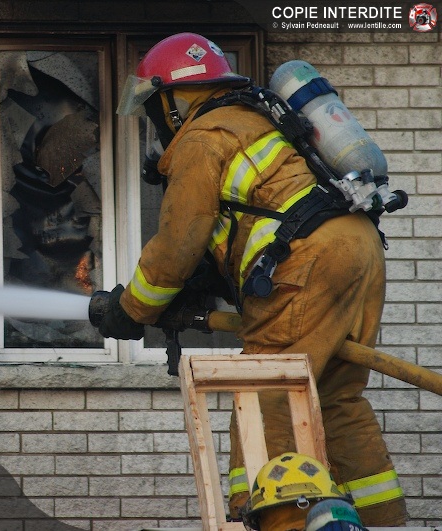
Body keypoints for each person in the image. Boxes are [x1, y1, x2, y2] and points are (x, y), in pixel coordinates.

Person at [99, 32, 407, 526]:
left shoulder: (204, 136)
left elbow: (177, 245)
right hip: (359, 247)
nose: (157, 122)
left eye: (155, 108)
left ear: (175, 101)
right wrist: (202, 285)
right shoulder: (259, 121)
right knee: (336, 396)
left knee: (268, 390)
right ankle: (381, 520)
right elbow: (253, 220)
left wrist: (130, 310)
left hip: (307, 262)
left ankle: (277, 520)